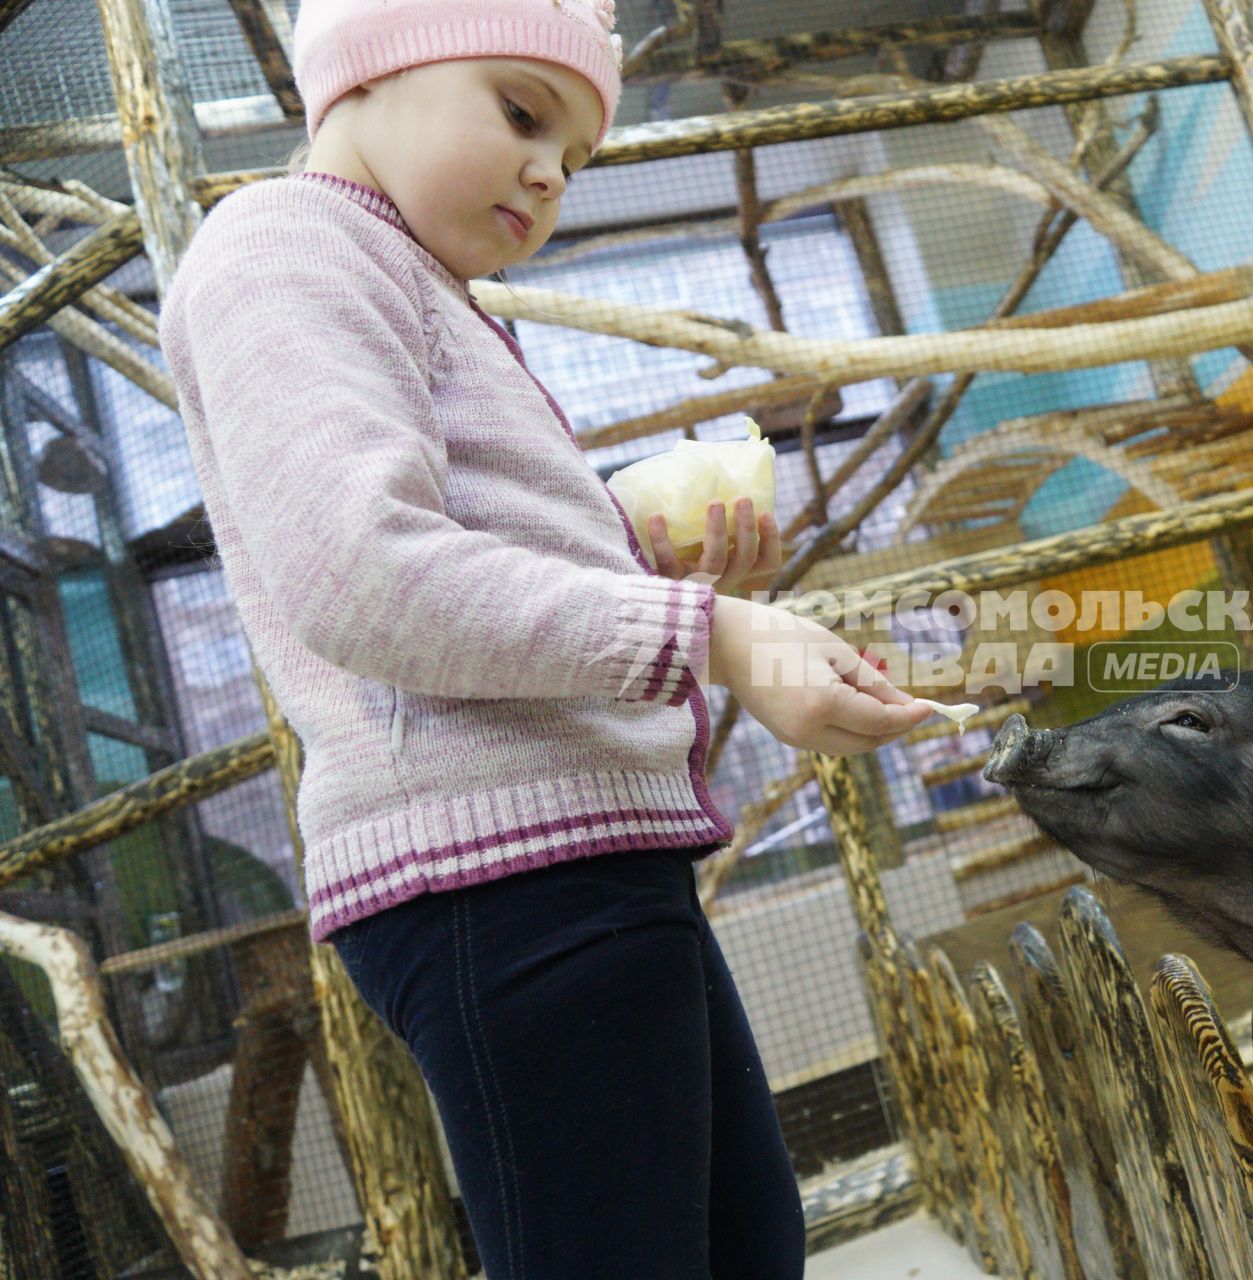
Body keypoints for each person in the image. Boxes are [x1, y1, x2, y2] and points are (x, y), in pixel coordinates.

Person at [155, 0, 932, 1274]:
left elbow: (452, 545)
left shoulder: (424, 284)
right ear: (363, 74)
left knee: (746, 1246)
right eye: (521, 112)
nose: (547, 172)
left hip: (579, 848)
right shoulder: (281, 247)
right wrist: (715, 633)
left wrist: (633, 543)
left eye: (574, 158)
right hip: (495, 874)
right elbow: (362, 575)